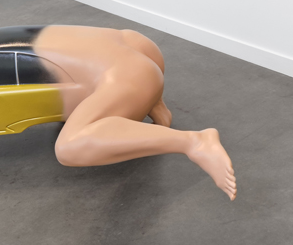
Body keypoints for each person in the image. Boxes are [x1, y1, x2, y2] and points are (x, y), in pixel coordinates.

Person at [33, 25, 237, 200]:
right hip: (139, 52)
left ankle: (194, 142)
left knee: (68, 147)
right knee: (106, 74)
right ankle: (156, 108)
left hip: (123, 77)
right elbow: (137, 41)